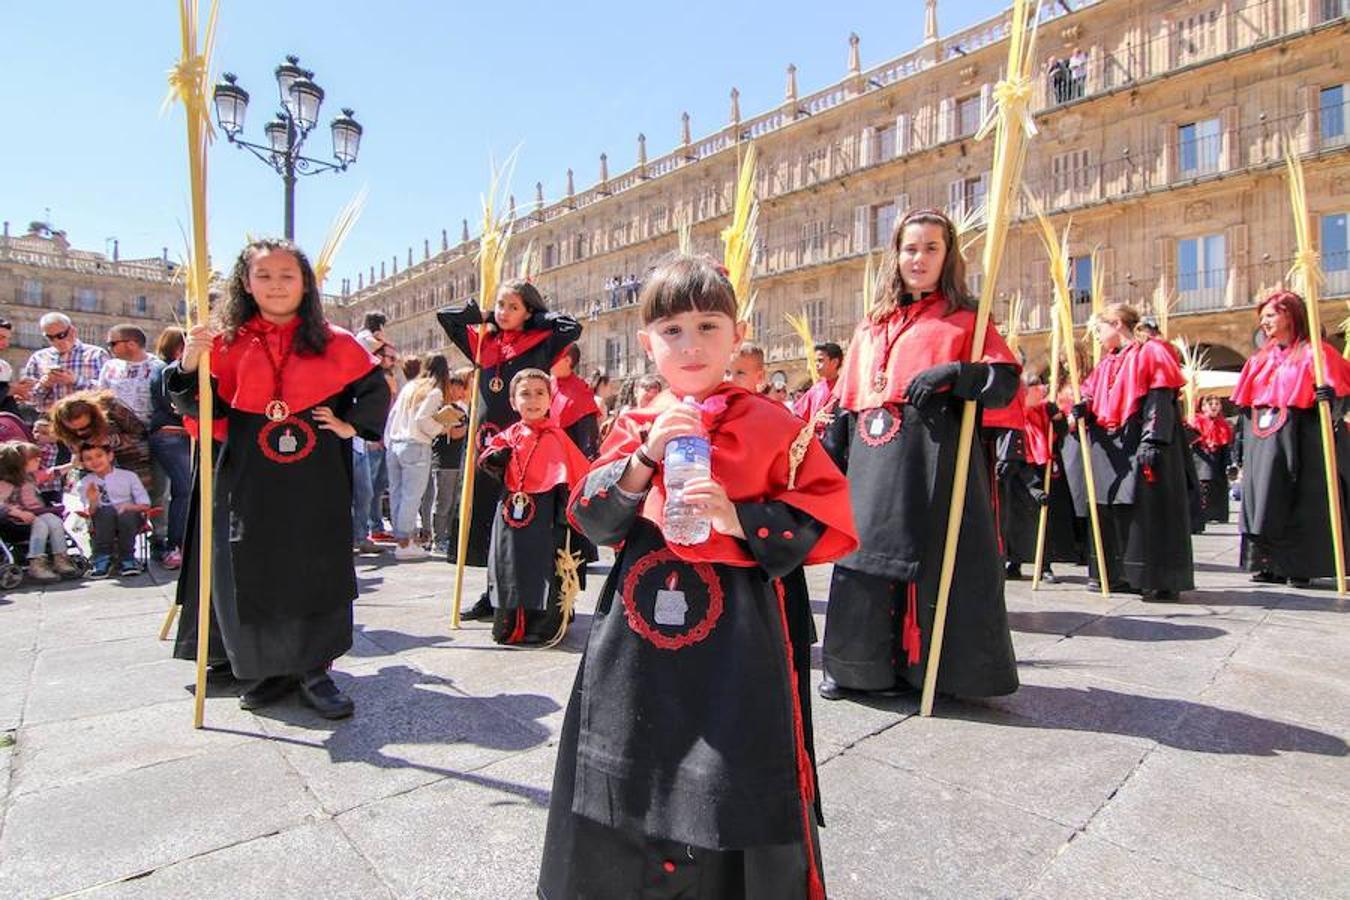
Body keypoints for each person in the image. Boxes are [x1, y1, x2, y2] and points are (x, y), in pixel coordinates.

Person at [539, 254, 857, 900]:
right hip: (635, 645)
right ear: (646, 343)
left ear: (737, 335)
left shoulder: (776, 428)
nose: (691, 346)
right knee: (631, 760)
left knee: (727, 768)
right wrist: (643, 460)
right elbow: (592, 519)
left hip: (737, 645)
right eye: (673, 331)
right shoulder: (632, 424)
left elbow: (825, 517)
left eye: (709, 327)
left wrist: (741, 518)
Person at [167, 237, 390, 718]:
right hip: (249, 473)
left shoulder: (337, 341)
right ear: (246, 284)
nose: (276, 285)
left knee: (313, 563)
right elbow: (196, 406)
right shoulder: (224, 341)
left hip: (316, 476)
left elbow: (372, 389)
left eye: (287, 275)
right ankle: (266, 668)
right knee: (256, 565)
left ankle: (313, 670)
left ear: (304, 282)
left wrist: (352, 424)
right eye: (263, 275)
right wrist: (189, 363)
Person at [819, 208, 1020, 702]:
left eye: (932, 248)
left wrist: (957, 371)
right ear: (896, 255)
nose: (920, 257)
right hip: (871, 458)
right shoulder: (871, 324)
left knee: (931, 559)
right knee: (863, 557)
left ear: (947, 257)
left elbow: (1004, 382)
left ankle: (929, 673)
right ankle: (857, 668)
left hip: (932, 459)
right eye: (911, 247)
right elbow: (847, 402)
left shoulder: (969, 318)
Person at [436, 278, 581, 616]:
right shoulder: (481, 343)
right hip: (486, 445)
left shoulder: (541, 342)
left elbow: (571, 326)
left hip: (526, 444)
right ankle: (492, 594)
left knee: (525, 520)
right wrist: (485, 314)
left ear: (528, 310)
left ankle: (541, 592)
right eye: (501, 305)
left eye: (513, 307)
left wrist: (534, 317)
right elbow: (447, 316)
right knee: (486, 516)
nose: (504, 312)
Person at [1068, 302, 1194, 601]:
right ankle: (1116, 573)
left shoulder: (1151, 351)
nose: (1096, 336)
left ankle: (1154, 576)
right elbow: (1092, 393)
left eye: (1099, 329)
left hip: (1138, 435)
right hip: (1109, 443)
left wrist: (1153, 438)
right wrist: (1082, 407)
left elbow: (1160, 395)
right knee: (1108, 504)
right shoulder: (1106, 362)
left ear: (1116, 324)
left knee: (1145, 508)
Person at [1233, 290, 1350, 587]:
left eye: (1271, 315)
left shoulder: (1318, 353)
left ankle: (1300, 565)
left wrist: (1331, 396)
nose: (1264, 322)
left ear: (1290, 314)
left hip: (1302, 437)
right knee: (1265, 499)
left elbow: (1342, 395)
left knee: (1300, 499)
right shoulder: (1261, 358)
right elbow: (1247, 403)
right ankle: (1269, 563)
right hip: (1263, 439)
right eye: (1262, 317)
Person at [478, 369, 590, 645]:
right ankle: (509, 623)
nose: (533, 399)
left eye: (540, 393)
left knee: (544, 565)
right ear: (514, 402)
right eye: (525, 393)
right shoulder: (508, 435)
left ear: (550, 399)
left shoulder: (558, 437)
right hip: (511, 508)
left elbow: (577, 476)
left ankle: (544, 624)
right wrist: (495, 459)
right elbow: (490, 460)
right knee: (509, 563)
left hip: (546, 511)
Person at [384, 353, 452, 558]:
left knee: (397, 493)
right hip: (416, 445)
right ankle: (405, 543)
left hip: (395, 444)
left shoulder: (410, 387)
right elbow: (423, 419)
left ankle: (402, 539)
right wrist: (441, 426)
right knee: (412, 496)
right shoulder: (434, 391)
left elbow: (393, 415)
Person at [23, 313, 111, 468]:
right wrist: (44, 385)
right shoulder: (39, 358)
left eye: (61, 335)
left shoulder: (96, 354)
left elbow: (107, 391)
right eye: (50, 337)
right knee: (54, 478)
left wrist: (75, 381)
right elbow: (29, 399)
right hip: (53, 430)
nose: (57, 341)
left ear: (72, 331)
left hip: (87, 427)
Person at [0, 441, 79, 582]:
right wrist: (18, 513)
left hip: (36, 514)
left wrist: (72, 465)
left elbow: (51, 473)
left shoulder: (30, 477)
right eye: (34, 458)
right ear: (20, 463)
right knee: (41, 524)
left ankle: (60, 557)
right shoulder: (6, 483)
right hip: (15, 521)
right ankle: (36, 562)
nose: (39, 460)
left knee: (55, 521)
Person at [49, 390, 152, 491]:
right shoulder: (63, 428)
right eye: (73, 430)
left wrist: (109, 440)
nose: (80, 433)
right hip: (96, 472)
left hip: (133, 464)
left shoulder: (113, 408)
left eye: (85, 427)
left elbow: (141, 435)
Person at [148, 327, 191, 570]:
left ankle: (172, 542)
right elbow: (176, 406)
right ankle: (176, 545)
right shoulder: (168, 370)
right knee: (183, 491)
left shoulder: (159, 369)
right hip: (171, 434)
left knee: (174, 492)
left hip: (170, 436)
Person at [76, 442, 150, 578]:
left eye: (99, 456)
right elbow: (88, 512)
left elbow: (145, 503)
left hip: (130, 518)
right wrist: (93, 500)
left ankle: (128, 558)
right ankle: (102, 559)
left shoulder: (128, 476)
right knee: (106, 511)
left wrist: (128, 506)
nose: (95, 461)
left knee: (123, 512)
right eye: (89, 459)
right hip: (102, 521)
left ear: (110, 456)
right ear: (84, 463)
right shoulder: (86, 482)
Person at [420, 368, 469, 553]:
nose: (458, 392)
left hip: (458, 462)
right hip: (443, 461)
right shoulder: (441, 408)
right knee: (442, 502)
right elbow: (454, 433)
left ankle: (446, 537)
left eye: (460, 387)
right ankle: (437, 539)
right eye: (455, 387)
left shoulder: (460, 410)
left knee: (452, 503)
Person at [366, 344, 399, 541]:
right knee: (367, 487)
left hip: (385, 439)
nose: (393, 362)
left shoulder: (388, 379)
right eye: (390, 358)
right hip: (375, 439)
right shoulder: (375, 380)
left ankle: (375, 527)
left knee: (378, 487)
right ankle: (364, 529)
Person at [1188, 394, 1235, 527]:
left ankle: (1217, 514)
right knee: (1205, 484)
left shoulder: (1223, 424)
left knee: (1219, 485)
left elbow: (1225, 444)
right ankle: (1203, 514)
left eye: (1217, 404)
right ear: (1203, 407)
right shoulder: (1196, 421)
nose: (1214, 407)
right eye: (1211, 404)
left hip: (1218, 458)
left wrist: (1229, 462)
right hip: (1202, 458)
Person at [550, 344, 602, 459]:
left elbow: (589, 446)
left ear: (567, 360)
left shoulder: (582, 394)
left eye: (553, 358)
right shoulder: (546, 386)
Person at [792, 342, 844, 427]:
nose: (816, 364)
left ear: (835, 362)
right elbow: (799, 416)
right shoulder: (815, 389)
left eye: (820, 360)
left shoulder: (845, 389)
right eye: (815, 361)